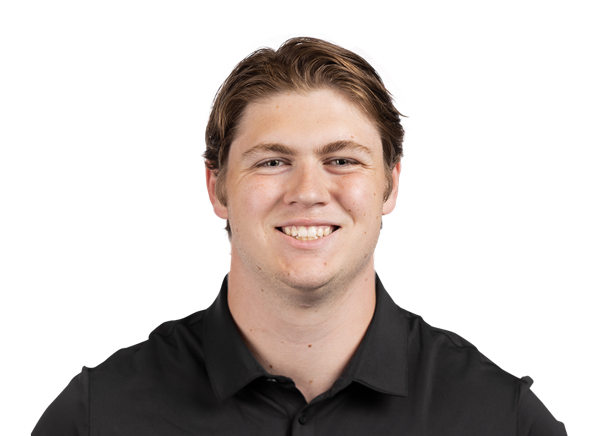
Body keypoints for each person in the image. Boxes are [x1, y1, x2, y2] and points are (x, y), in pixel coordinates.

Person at [32, 35, 567, 435]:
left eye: (342, 159)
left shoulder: (502, 418)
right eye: (272, 161)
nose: (308, 192)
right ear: (216, 187)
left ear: (391, 186)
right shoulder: (96, 415)